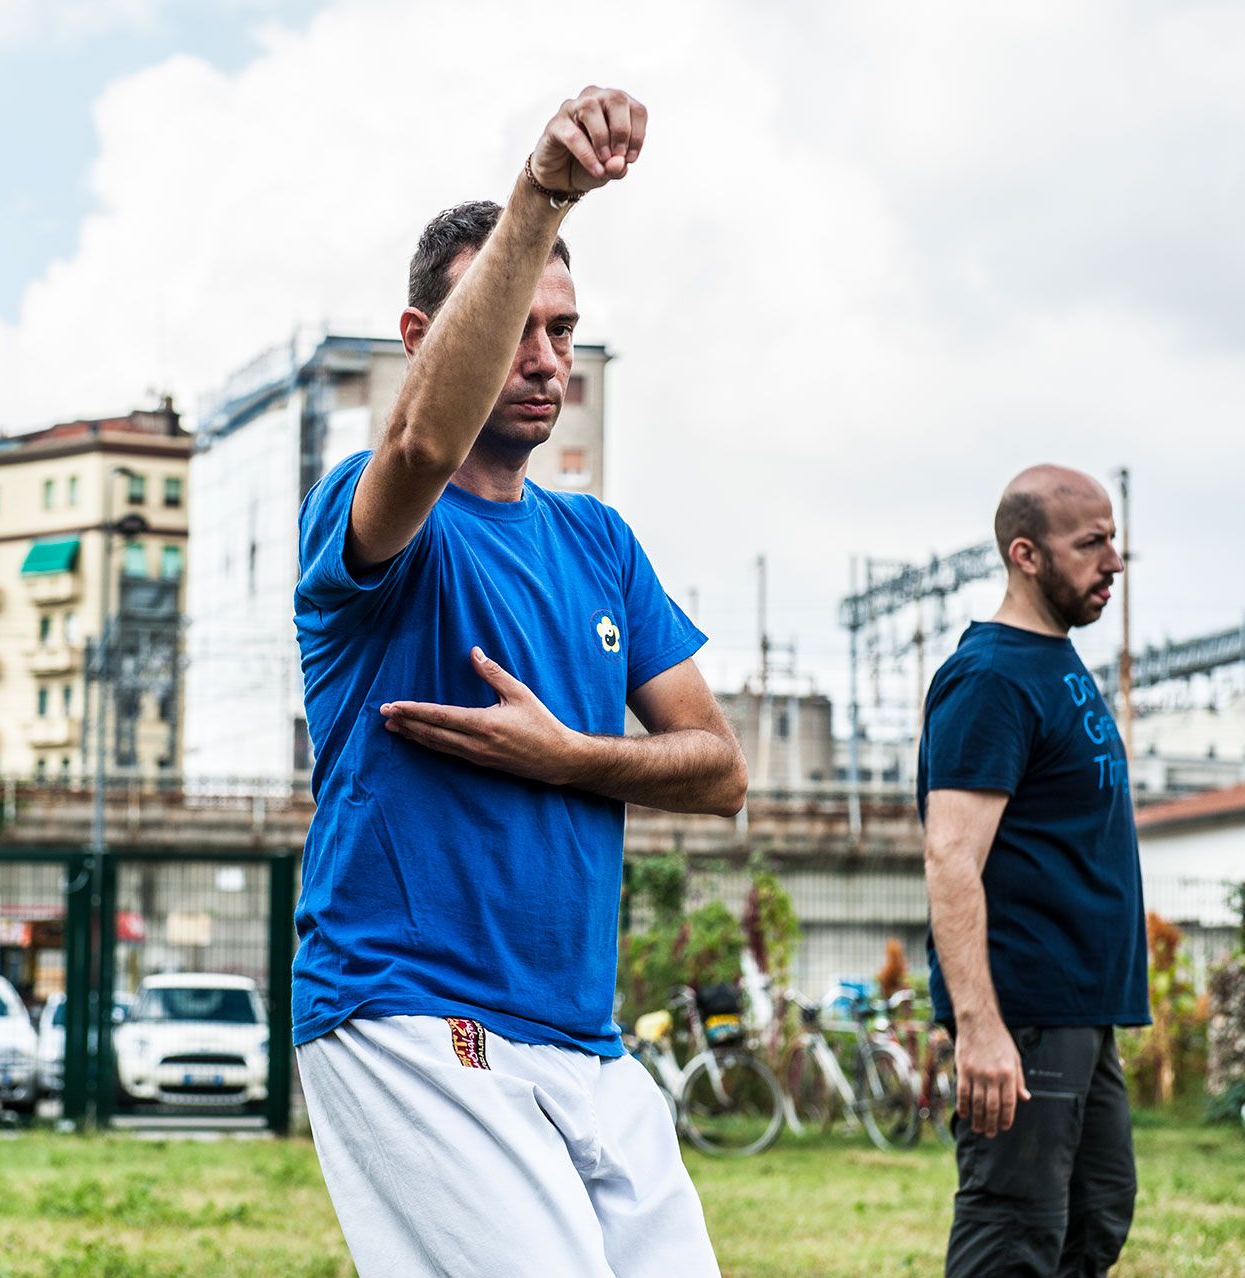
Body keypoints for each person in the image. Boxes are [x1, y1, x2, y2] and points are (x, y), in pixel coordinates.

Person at [290, 87, 745, 1278]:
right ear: (418, 336)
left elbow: (718, 770)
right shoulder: (370, 512)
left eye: (564, 329)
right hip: (405, 1007)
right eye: (516, 323)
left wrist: (572, 758)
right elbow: (422, 448)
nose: (546, 361)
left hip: (581, 1038)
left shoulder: (598, 541)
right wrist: (541, 195)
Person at [919, 464, 1146, 1277]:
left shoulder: (1055, 664)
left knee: (1095, 1217)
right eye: (1092, 544)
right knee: (1012, 1237)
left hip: (1084, 1010)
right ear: (1026, 554)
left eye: (1113, 540)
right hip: (1025, 1012)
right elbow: (951, 856)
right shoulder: (993, 677)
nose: (1114, 562)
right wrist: (981, 1026)